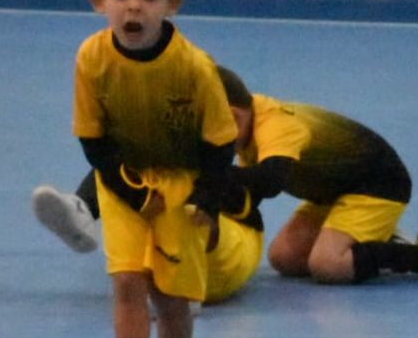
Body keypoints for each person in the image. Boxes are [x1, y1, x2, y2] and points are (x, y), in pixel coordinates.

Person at [74, 0, 238, 338]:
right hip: (124, 184)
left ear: (173, 3)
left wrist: (207, 199)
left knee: (170, 295)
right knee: (127, 281)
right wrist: (131, 193)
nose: (134, 7)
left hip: (180, 189)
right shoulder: (91, 59)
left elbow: (221, 144)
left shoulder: (194, 68)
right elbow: (94, 142)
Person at [36, 66, 268, 305]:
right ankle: (82, 210)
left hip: (229, 258)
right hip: (172, 254)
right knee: (125, 163)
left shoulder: (218, 172)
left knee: (186, 196)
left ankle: (183, 286)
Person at [236, 84, 418, 285]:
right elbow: (249, 194)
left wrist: (220, 179)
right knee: (284, 258)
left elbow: (269, 181)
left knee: (328, 265)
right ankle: (375, 241)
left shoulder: (276, 127)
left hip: (379, 184)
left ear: (237, 114)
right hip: (335, 189)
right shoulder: (247, 116)